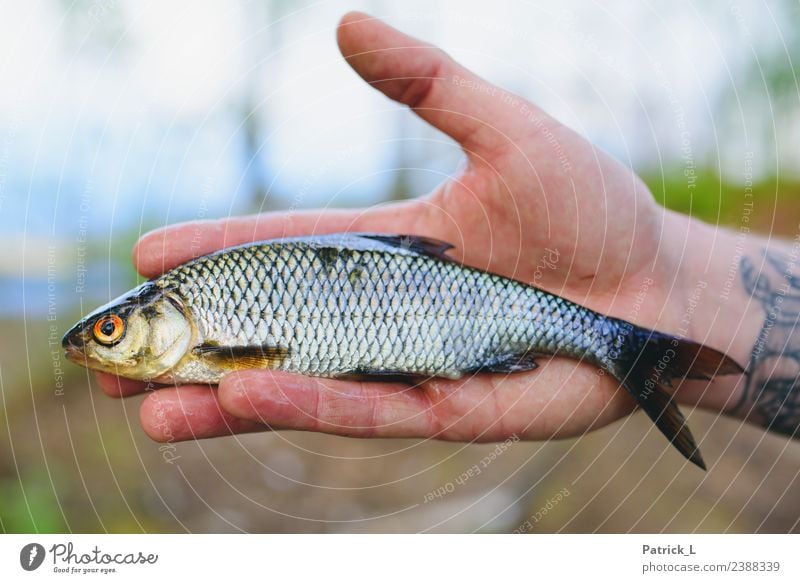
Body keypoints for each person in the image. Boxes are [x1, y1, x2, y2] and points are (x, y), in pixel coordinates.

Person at [97, 12, 799, 452]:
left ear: (160, 318)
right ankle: (629, 345)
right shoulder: (207, 309)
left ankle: (627, 346)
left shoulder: (207, 316)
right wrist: (672, 278)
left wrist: (666, 271)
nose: (105, 342)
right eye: (109, 332)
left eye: (109, 333)